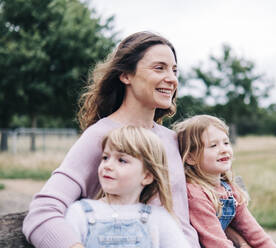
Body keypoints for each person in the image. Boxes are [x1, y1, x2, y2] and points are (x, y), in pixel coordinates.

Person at [23, 31, 200, 248]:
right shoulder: (101, 137)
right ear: (126, 75)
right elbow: (42, 213)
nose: (172, 79)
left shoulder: (171, 139)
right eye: (159, 68)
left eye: (174, 70)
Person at [64, 126, 191, 248]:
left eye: (122, 160)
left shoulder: (159, 219)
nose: (107, 165)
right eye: (105, 157)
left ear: (146, 176)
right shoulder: (80, 213)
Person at [173, 115, 276, 248]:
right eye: (213, 145)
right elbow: (217, 243)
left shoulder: (230, 189)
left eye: (226, 143)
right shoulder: (195, 194)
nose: (223, 149)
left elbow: (254, 232)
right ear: (191, 157)